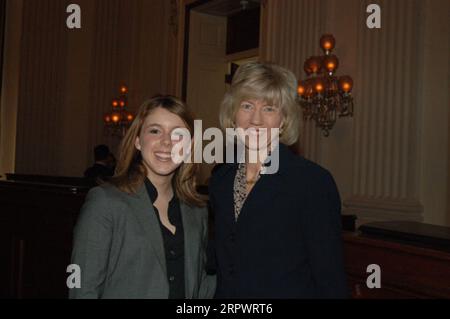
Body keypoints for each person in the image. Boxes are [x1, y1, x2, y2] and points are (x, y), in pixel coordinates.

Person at [208, 61, 348, 298]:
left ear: (283, 120)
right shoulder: (221, 179)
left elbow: (330, 278)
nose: (256, 120)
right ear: (233, 115)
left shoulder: (312, 183)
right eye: (247, 105)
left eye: (269, 108)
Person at [70, 95, 216, 299]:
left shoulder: (197, 210)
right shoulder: (105, 202)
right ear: (138, 140)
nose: (166, 142)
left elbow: (198, 290)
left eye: (177, 134)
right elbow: (83, 290)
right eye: (155, 131)